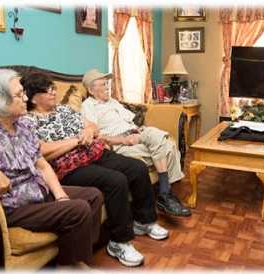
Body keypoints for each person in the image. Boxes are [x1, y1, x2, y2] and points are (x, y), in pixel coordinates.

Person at [20, 72, 169, 267]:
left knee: (137, 167)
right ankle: (119, 242)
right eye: (48, 90)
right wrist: (75, 141)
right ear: (33, 97)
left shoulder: (64, 110)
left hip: (94, 152)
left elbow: (92, 126)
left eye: (53, 88)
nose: (54, 92)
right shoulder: (28, 121)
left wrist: (89, 131)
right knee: (116, 181)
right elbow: (43, 152)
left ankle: (144, 221)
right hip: (68, 167)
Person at [0, 69, 104, 268]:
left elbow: (42, 164)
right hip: (16, 206)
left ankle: (75, 257)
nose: (25, 98)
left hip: (39, 191)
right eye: (19, 95)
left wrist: (60, 196)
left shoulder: (24, 125)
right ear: (0, 102)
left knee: (93, 195)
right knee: (77, 209)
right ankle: (72, 265)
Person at [81, 69, 191, 217]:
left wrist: (137, 131)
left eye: (107, 83)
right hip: (120, 143)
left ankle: (165, 194)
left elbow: (131, 121)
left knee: (160, 139)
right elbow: (96, 135)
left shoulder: (113, 102)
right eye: (103, 84)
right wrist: (122, 140)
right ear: (91, 90)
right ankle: (166, 195)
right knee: (166, 145)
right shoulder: (89, 106)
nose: (108, 87)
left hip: (136, 134)